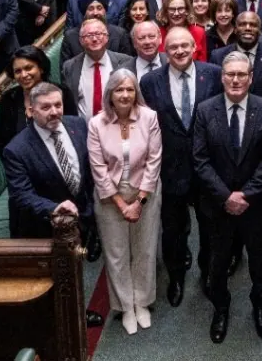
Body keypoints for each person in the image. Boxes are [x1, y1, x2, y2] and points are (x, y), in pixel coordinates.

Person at [192, 51, 262, 342]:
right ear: (222, 77)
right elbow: (200, 160)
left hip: (256, 205)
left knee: (260, 262)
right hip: (217, 206)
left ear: (251, 78)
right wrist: (225, 197)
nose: (235, 80)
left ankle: (260, 305)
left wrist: (246, 194)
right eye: (230, 74)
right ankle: (221, 308)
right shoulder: (205, 110)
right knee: (218, 263)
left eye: (241, 74)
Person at [141, 26, 221, 307]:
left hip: (207, 168)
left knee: (210, 227)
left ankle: (208, 273)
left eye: (185, 45)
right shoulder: (150, 81)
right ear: (165, 50)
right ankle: (176, 277)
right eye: (173, 47)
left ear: (194, 47)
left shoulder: (213, 74)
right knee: (173, 230)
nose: (179, 51)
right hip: (170, 168)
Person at [89, 69, 164, 334]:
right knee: (117, 254)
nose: (125, 95)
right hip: (110, 196)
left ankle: (142, 302)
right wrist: (122, 204)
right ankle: (125, 306)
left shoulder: (149, 117)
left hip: (146, 191)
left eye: (130, 89)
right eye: (119, 89)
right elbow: (98, 168)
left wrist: (139, 201)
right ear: (110, 93)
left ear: (136, 92)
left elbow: (154, 161)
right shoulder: (96, 123)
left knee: (144, 250)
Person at [4, 82, 98, 260]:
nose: (54, 112)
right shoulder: (16, 150)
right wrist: (54, 208)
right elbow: (21, 195)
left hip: (85, 218)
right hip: (48, 231)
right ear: (31, 111)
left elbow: (89, 171)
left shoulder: (78, 125)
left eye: (58, 105)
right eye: (46, 107)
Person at [0, 46, 71, 155]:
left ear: (41, 68)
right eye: (18, 71)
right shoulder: (9, 99)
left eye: (28, 68)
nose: (23, 75)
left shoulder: (62, 93)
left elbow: (73, 129)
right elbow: (2, 142)